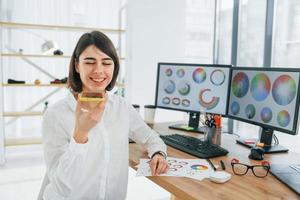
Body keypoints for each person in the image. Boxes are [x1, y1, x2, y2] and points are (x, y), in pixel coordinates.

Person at [42, 31, 169, 200]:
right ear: (77, 65)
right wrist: (80, 134)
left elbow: (150, 137)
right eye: (89, 62)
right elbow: (61, 187)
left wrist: (159, 153)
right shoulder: (56, 115)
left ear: (114, 67)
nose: (99, 70)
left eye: (106, 62)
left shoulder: (121, 106)